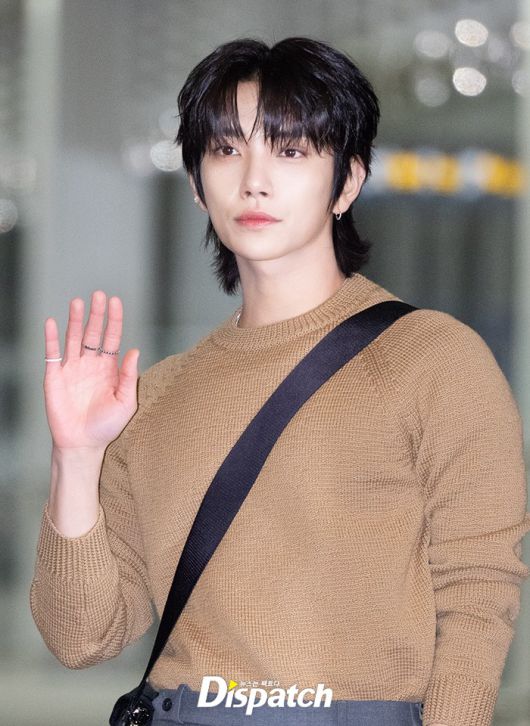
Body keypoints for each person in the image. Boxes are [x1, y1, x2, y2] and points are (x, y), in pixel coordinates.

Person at [30, 36, 530, 726]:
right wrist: (77, 458)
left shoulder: (433, 359)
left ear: (346, 183)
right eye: (226, 150)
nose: (253, 180)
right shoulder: (154, 398)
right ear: (197, 183)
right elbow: (83, 637)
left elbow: (478, 593)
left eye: (290, 151)